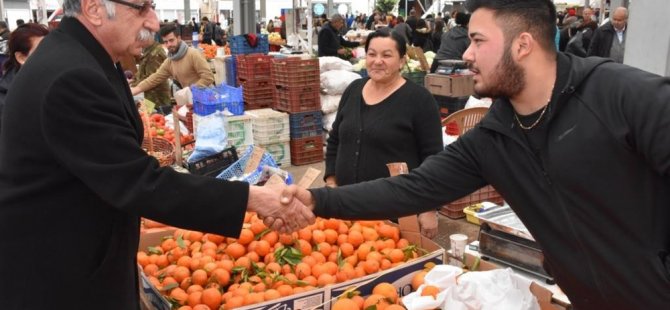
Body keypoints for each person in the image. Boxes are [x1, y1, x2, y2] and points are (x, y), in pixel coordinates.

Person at [282, 0, 670, 308]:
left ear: (522, 44)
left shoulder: (620, 95)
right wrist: (317, 199)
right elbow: (413, 188)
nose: (466, 54)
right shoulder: (494, 136)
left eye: (478, 40)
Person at [0, 1, 313, 308]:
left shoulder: (81, 59)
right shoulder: (70, 75)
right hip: (62, 279)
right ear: (94, 8)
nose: (152, 21)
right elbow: (139, 183)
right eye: (141, 8)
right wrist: (254, 197)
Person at [325, 29, 443, 238]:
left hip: (395, 212)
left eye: (386, 55)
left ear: (401, 61)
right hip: (345, 208)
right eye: (372, 54)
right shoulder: (353, 90)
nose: (377, 61)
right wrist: (332, 180)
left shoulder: (419, 100)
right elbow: (335, 139)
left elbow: (433, 158)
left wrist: (429, 207)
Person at [131, 24, 214, 96]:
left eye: (171, 40)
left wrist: (190, 90)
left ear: (179, 38)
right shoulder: (170, 61)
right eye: (166, 42)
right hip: (191, 99)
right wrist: (135, 90)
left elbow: (208, 77)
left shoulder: (193, 54)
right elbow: (155, 78)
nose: (169, 45)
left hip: (207, 98)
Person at [0, 23, 49, 129]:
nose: (52, 55)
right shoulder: (6, 101)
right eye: (42, 51)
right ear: (21, 57)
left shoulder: (55, 81)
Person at [130, 35, 170, 112]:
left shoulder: (155, 53)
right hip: (150, 95)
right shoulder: (148, 51)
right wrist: (133, 81)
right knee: (149, 119)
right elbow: (142, 72)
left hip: (157, 98)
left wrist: (134, 87)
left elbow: (152, 77)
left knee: (158, 119)